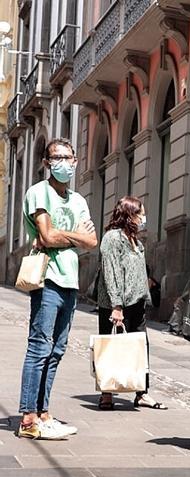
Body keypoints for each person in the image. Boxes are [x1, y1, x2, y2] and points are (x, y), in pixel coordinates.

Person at [17, 138, 97, 440]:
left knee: (57, 349)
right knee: (39, 347)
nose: (63, 163)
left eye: (68, 157)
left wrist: (59, 235)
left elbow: (91, 242)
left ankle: (44, 412)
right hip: (47, 280)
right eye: (56, 158)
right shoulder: (38, 192)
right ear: (47, 163)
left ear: (76, 161)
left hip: (70, 281)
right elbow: (47, 237)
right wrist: (73, 235)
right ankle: (28, 419)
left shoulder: (79, 200)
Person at [95, 196, 165, 411]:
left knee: (139, 347)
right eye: (140, 214)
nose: (143, 218)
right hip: (114, 303)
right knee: (110, 346)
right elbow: (111, 271)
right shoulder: (112, 238)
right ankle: (107, 393)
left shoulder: (137, 242)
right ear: (129, 214)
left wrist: (146, 295)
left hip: (137, 303)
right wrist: (117, 305)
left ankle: (142, 393)